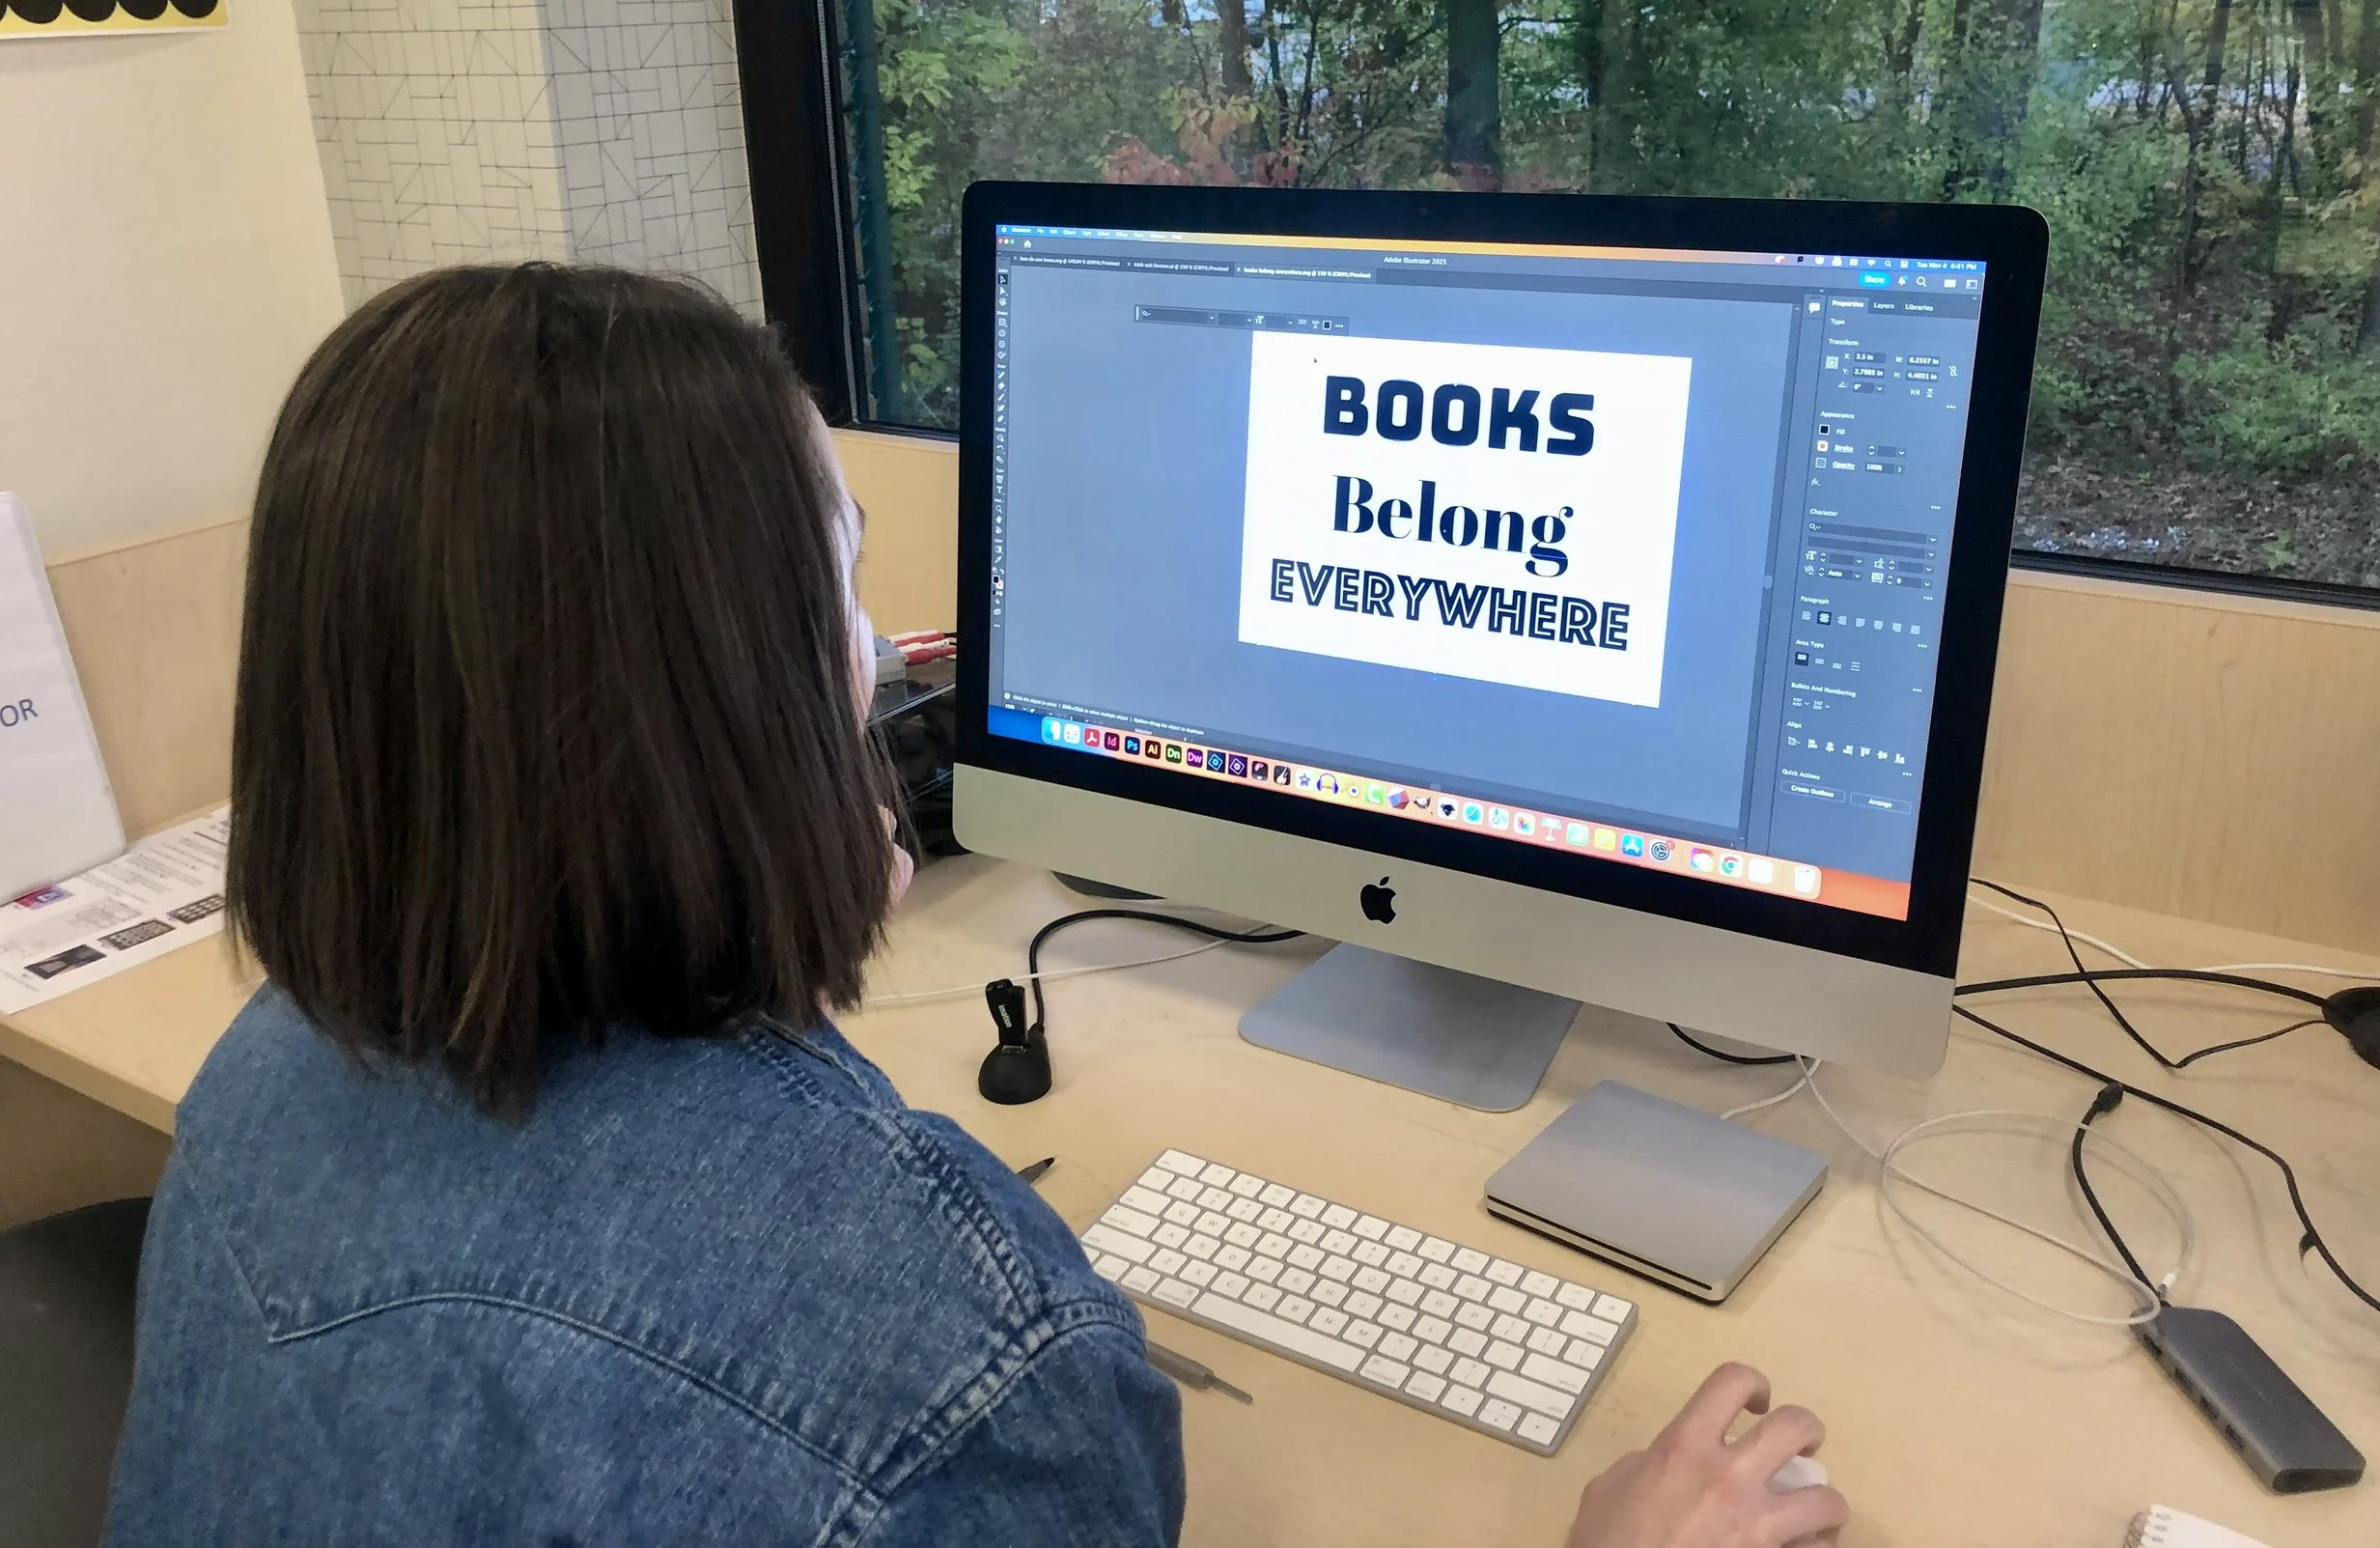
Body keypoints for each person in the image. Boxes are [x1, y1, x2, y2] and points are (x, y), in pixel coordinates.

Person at [104, 264, 1849, 1548]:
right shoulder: (963, 1369)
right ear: (722, 708)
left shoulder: (260, 1077)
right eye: (839, 585)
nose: (878, 657)